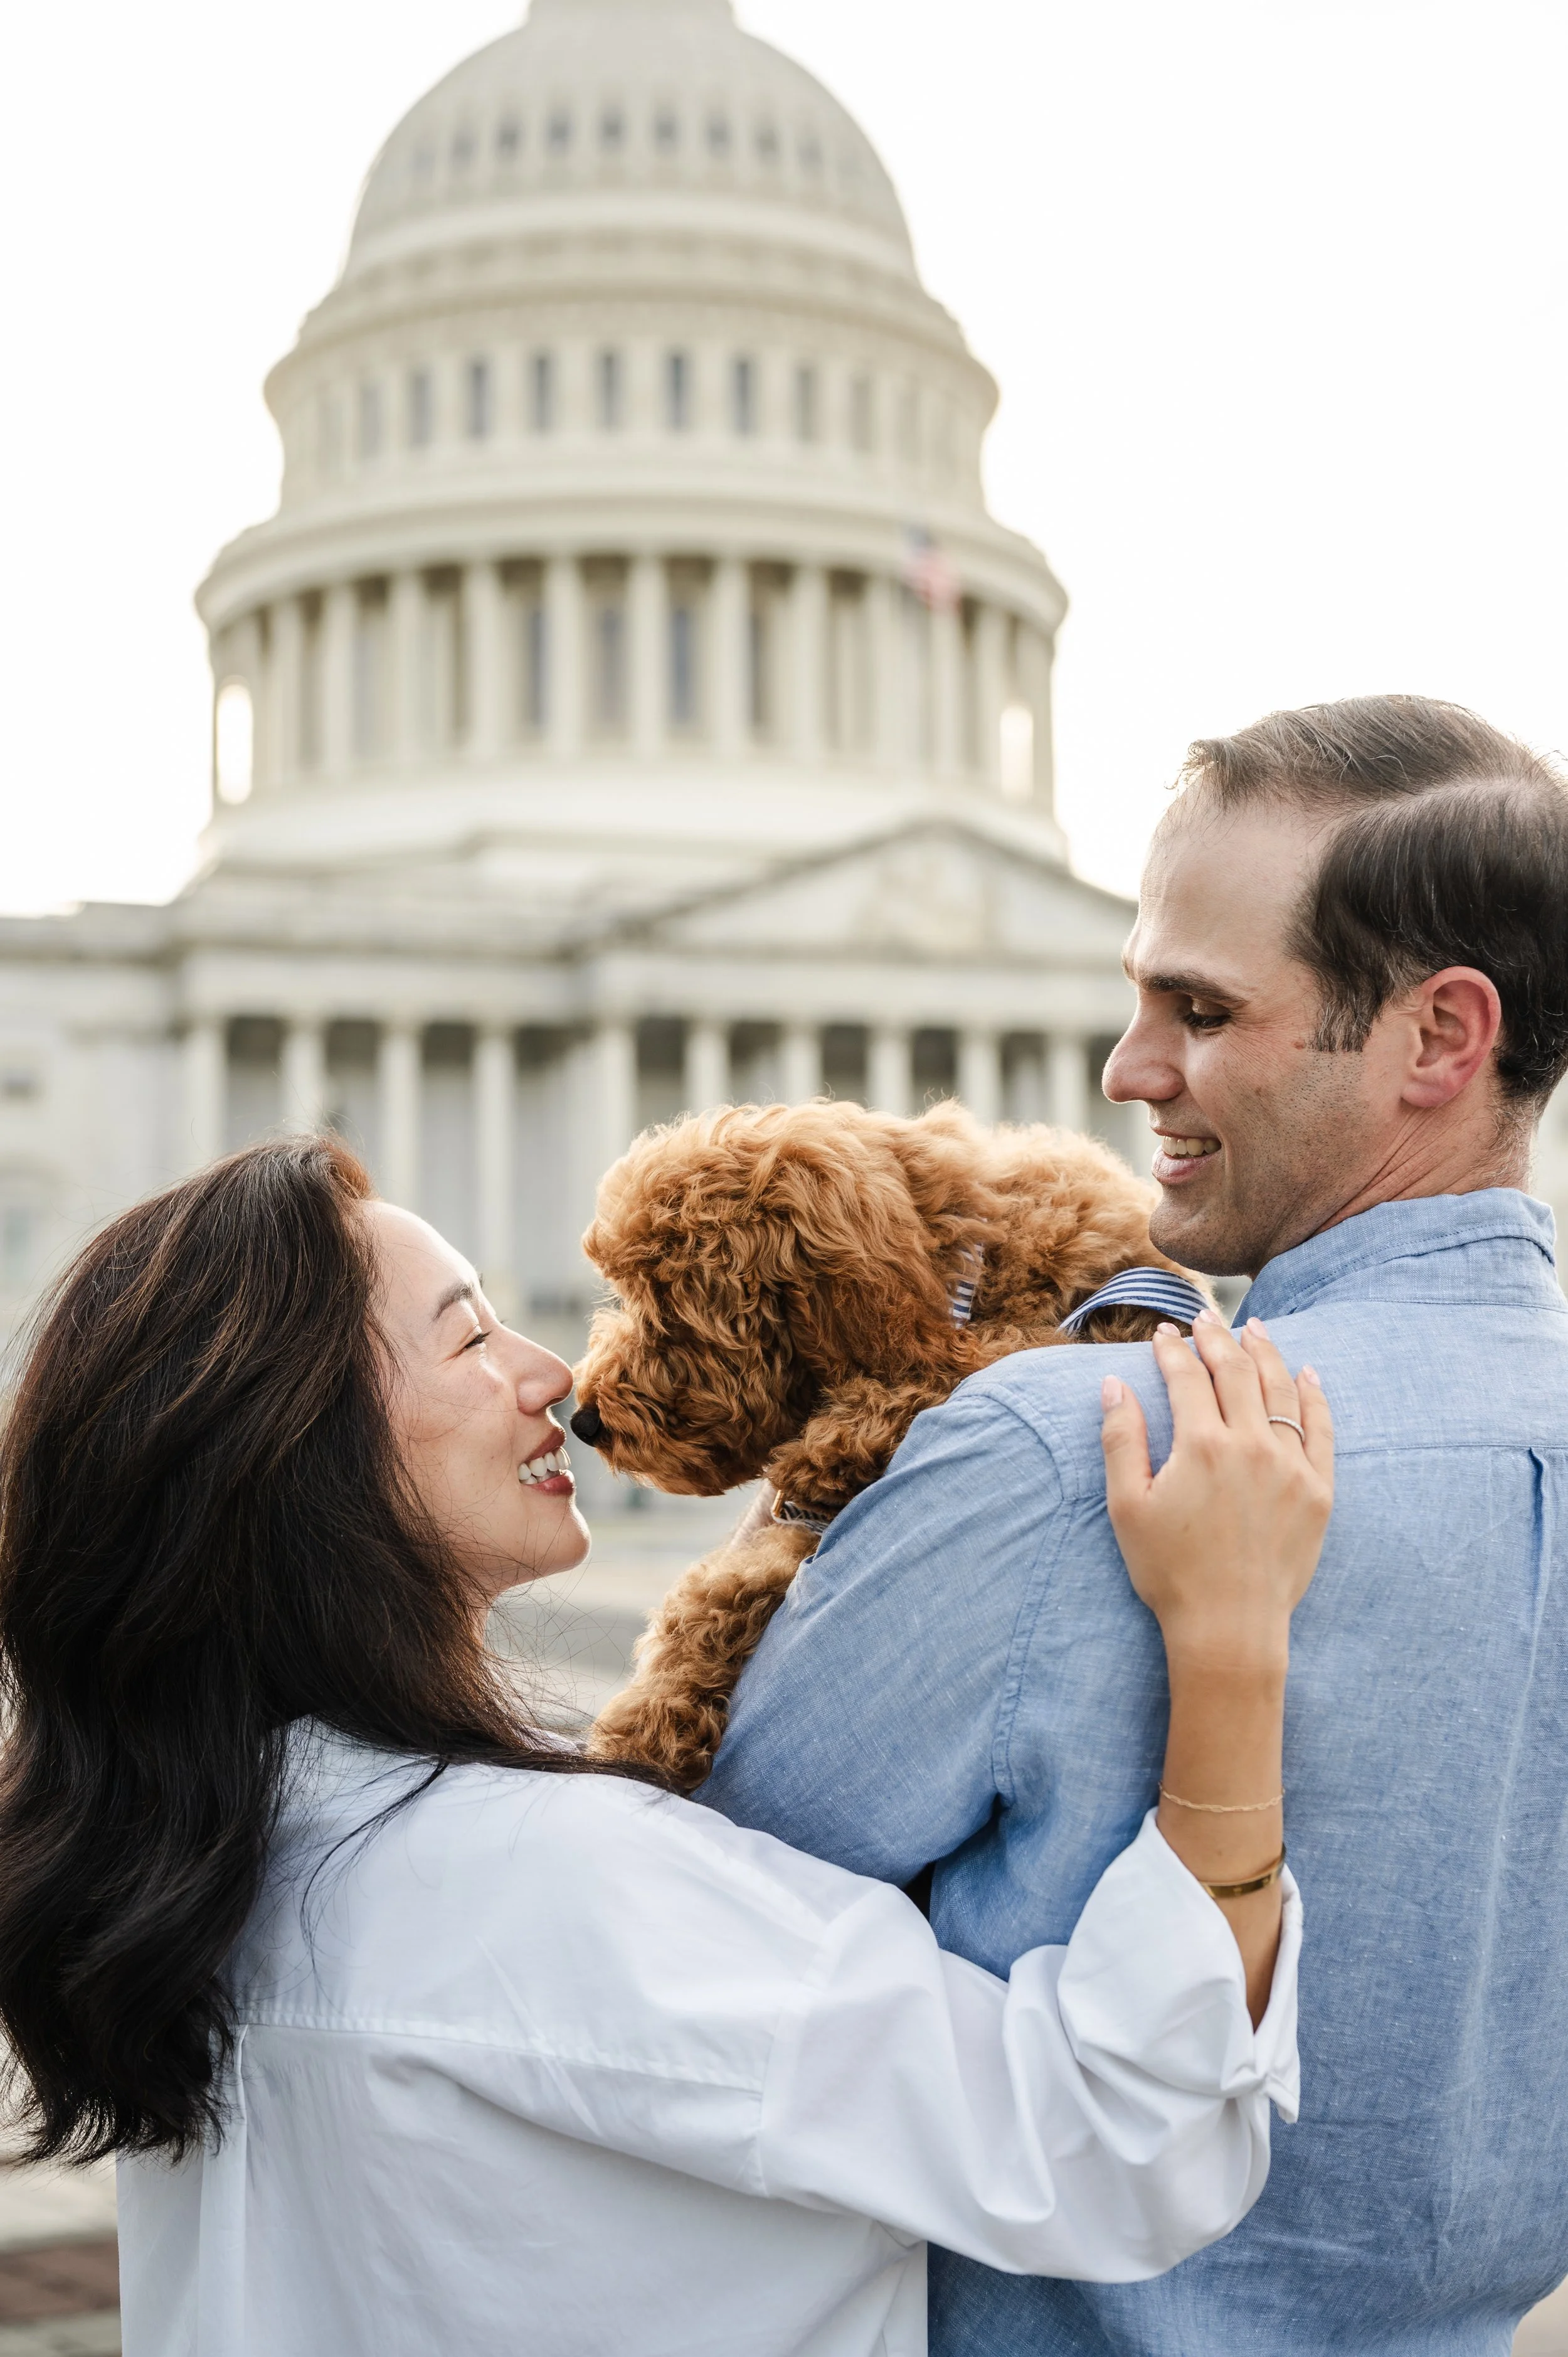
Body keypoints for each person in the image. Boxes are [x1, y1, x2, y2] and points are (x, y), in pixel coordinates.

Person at [0, 1139, 1326, 2357]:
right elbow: (1125, 2152)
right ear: (301, 1452)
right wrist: (1227, 1642)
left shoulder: (192, 1857)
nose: (554, 1376)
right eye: (469, 1339)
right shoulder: (556, 1881)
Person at [702, 693, 1568, 2355]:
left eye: (1200, 1008)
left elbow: (712, 1919)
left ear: (1438, 1038)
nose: (1126, 1069)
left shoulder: (1074, 1451)